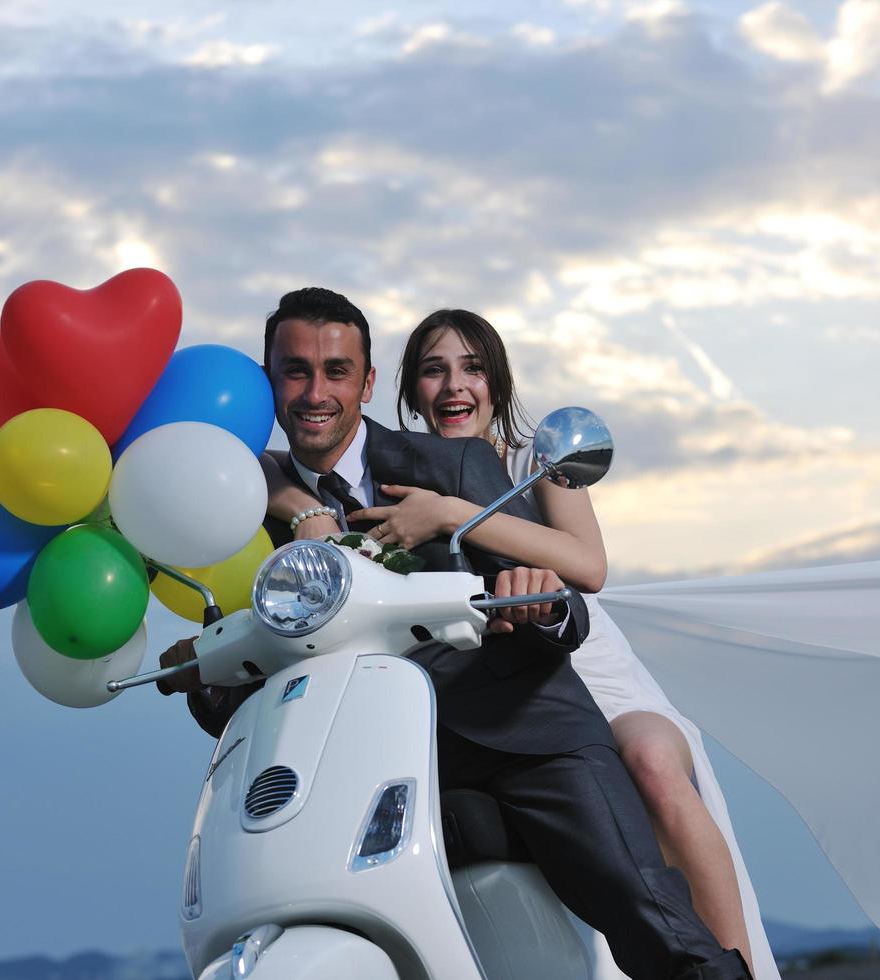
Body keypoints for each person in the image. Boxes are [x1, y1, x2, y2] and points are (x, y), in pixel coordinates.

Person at [162, 287, 751, 980]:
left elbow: (567, 600)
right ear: (269, 383)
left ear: (369, 383)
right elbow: (235, 684)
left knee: (644, 911)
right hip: (365, 762)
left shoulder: (455, 467)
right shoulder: (243, 508)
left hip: (525, 733)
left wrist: (538, 603)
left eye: (337, 371)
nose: (315, 391)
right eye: (295, 371)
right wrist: (199, 675)